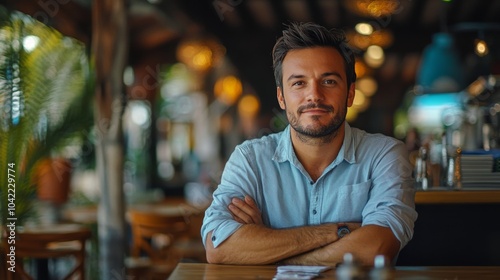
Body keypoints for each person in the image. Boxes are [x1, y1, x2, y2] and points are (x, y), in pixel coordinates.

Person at [201, 22, 418, 266]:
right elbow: (218, 248)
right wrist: (339, 232)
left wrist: (267, 251)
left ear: (350, 94)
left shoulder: (385, 155)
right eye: (298, 83)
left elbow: (375, 249)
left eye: (329, 82)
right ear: (281, 97)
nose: (314, 95)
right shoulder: (250, 160)